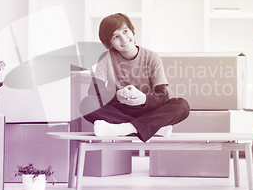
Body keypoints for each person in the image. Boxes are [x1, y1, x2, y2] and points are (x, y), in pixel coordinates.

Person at [79, 13, 190, 142]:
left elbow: (163, 97)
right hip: (118, 109)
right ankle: (153, 128)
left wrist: (143, 99)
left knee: (182, 105)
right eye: (116, 37)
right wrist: (117, 96)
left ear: (132, 30)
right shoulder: (106, 58)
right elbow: (93, 92)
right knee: (87, 104)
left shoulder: (152, 57)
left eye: (125, 31)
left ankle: (123, 128)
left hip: (147, 109)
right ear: (110, 43)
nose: (124, 39)